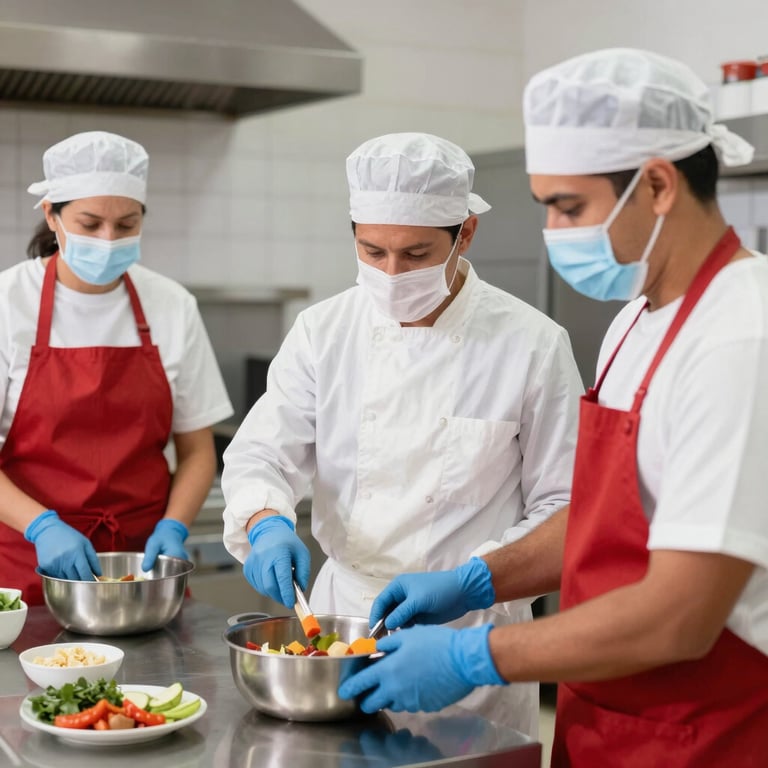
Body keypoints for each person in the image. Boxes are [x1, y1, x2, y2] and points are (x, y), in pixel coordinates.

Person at [338, 49, 768, 767]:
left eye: (569, 206)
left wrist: (480, 653)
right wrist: (481, 578)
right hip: (607, 712)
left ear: (657, 184)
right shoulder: (639, 319)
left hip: (703, 730)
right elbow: (609, 512)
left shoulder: (740, 337)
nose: (556, 228)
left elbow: (681, 617)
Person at [222, 132, 584, 737]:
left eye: (415, 255)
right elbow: (263, 450)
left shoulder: (532, 343)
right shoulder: (323, 331)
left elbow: (568, 505)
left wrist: (476, 578)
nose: (391, 274)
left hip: (471, 642)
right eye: (372, 252)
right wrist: (264, 523)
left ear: (464, 232)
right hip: (341, 624)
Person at [0, 131, 234, 605]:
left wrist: (174, 525)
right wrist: (42, 526)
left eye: (126, 225)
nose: (108, 240)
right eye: (90, 223)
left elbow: (196, 450)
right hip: (28, 564)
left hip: (141, 570)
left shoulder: (172, 305)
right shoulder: (8, 303)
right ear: (52, 215)